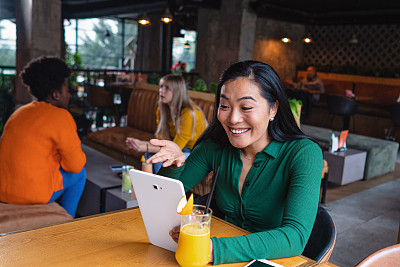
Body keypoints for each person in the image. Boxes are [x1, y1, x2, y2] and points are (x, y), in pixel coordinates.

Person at [147, 61, 323, 264]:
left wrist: (213, 249)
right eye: (224, 106)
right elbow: (159, 202)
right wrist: (173, 165)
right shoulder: (214, 147)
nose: (233, 118)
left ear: (273, 108)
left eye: (246, 107)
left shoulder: (304, 153)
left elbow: (295, 237)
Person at [0, 56, 86, 218]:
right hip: (30, 195)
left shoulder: (20, 112)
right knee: (80, 174)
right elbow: (74, 166)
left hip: (3, 191)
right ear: (55, 94)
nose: (69, 94)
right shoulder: (61, 117)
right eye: (67, 89)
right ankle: (67, 221)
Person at [126, 74, 208, 174]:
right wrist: (140, 143)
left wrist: (144, 146)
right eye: (161, 86)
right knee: (151, 155)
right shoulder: (163, 109)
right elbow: (162, 142)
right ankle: (152, 187)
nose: (161, 91)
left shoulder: (189, 113)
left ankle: (158, 188)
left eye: (167, 88)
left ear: (177, 92)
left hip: (195, 153)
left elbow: (176, 148)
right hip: (180, 149)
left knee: (158, 157)